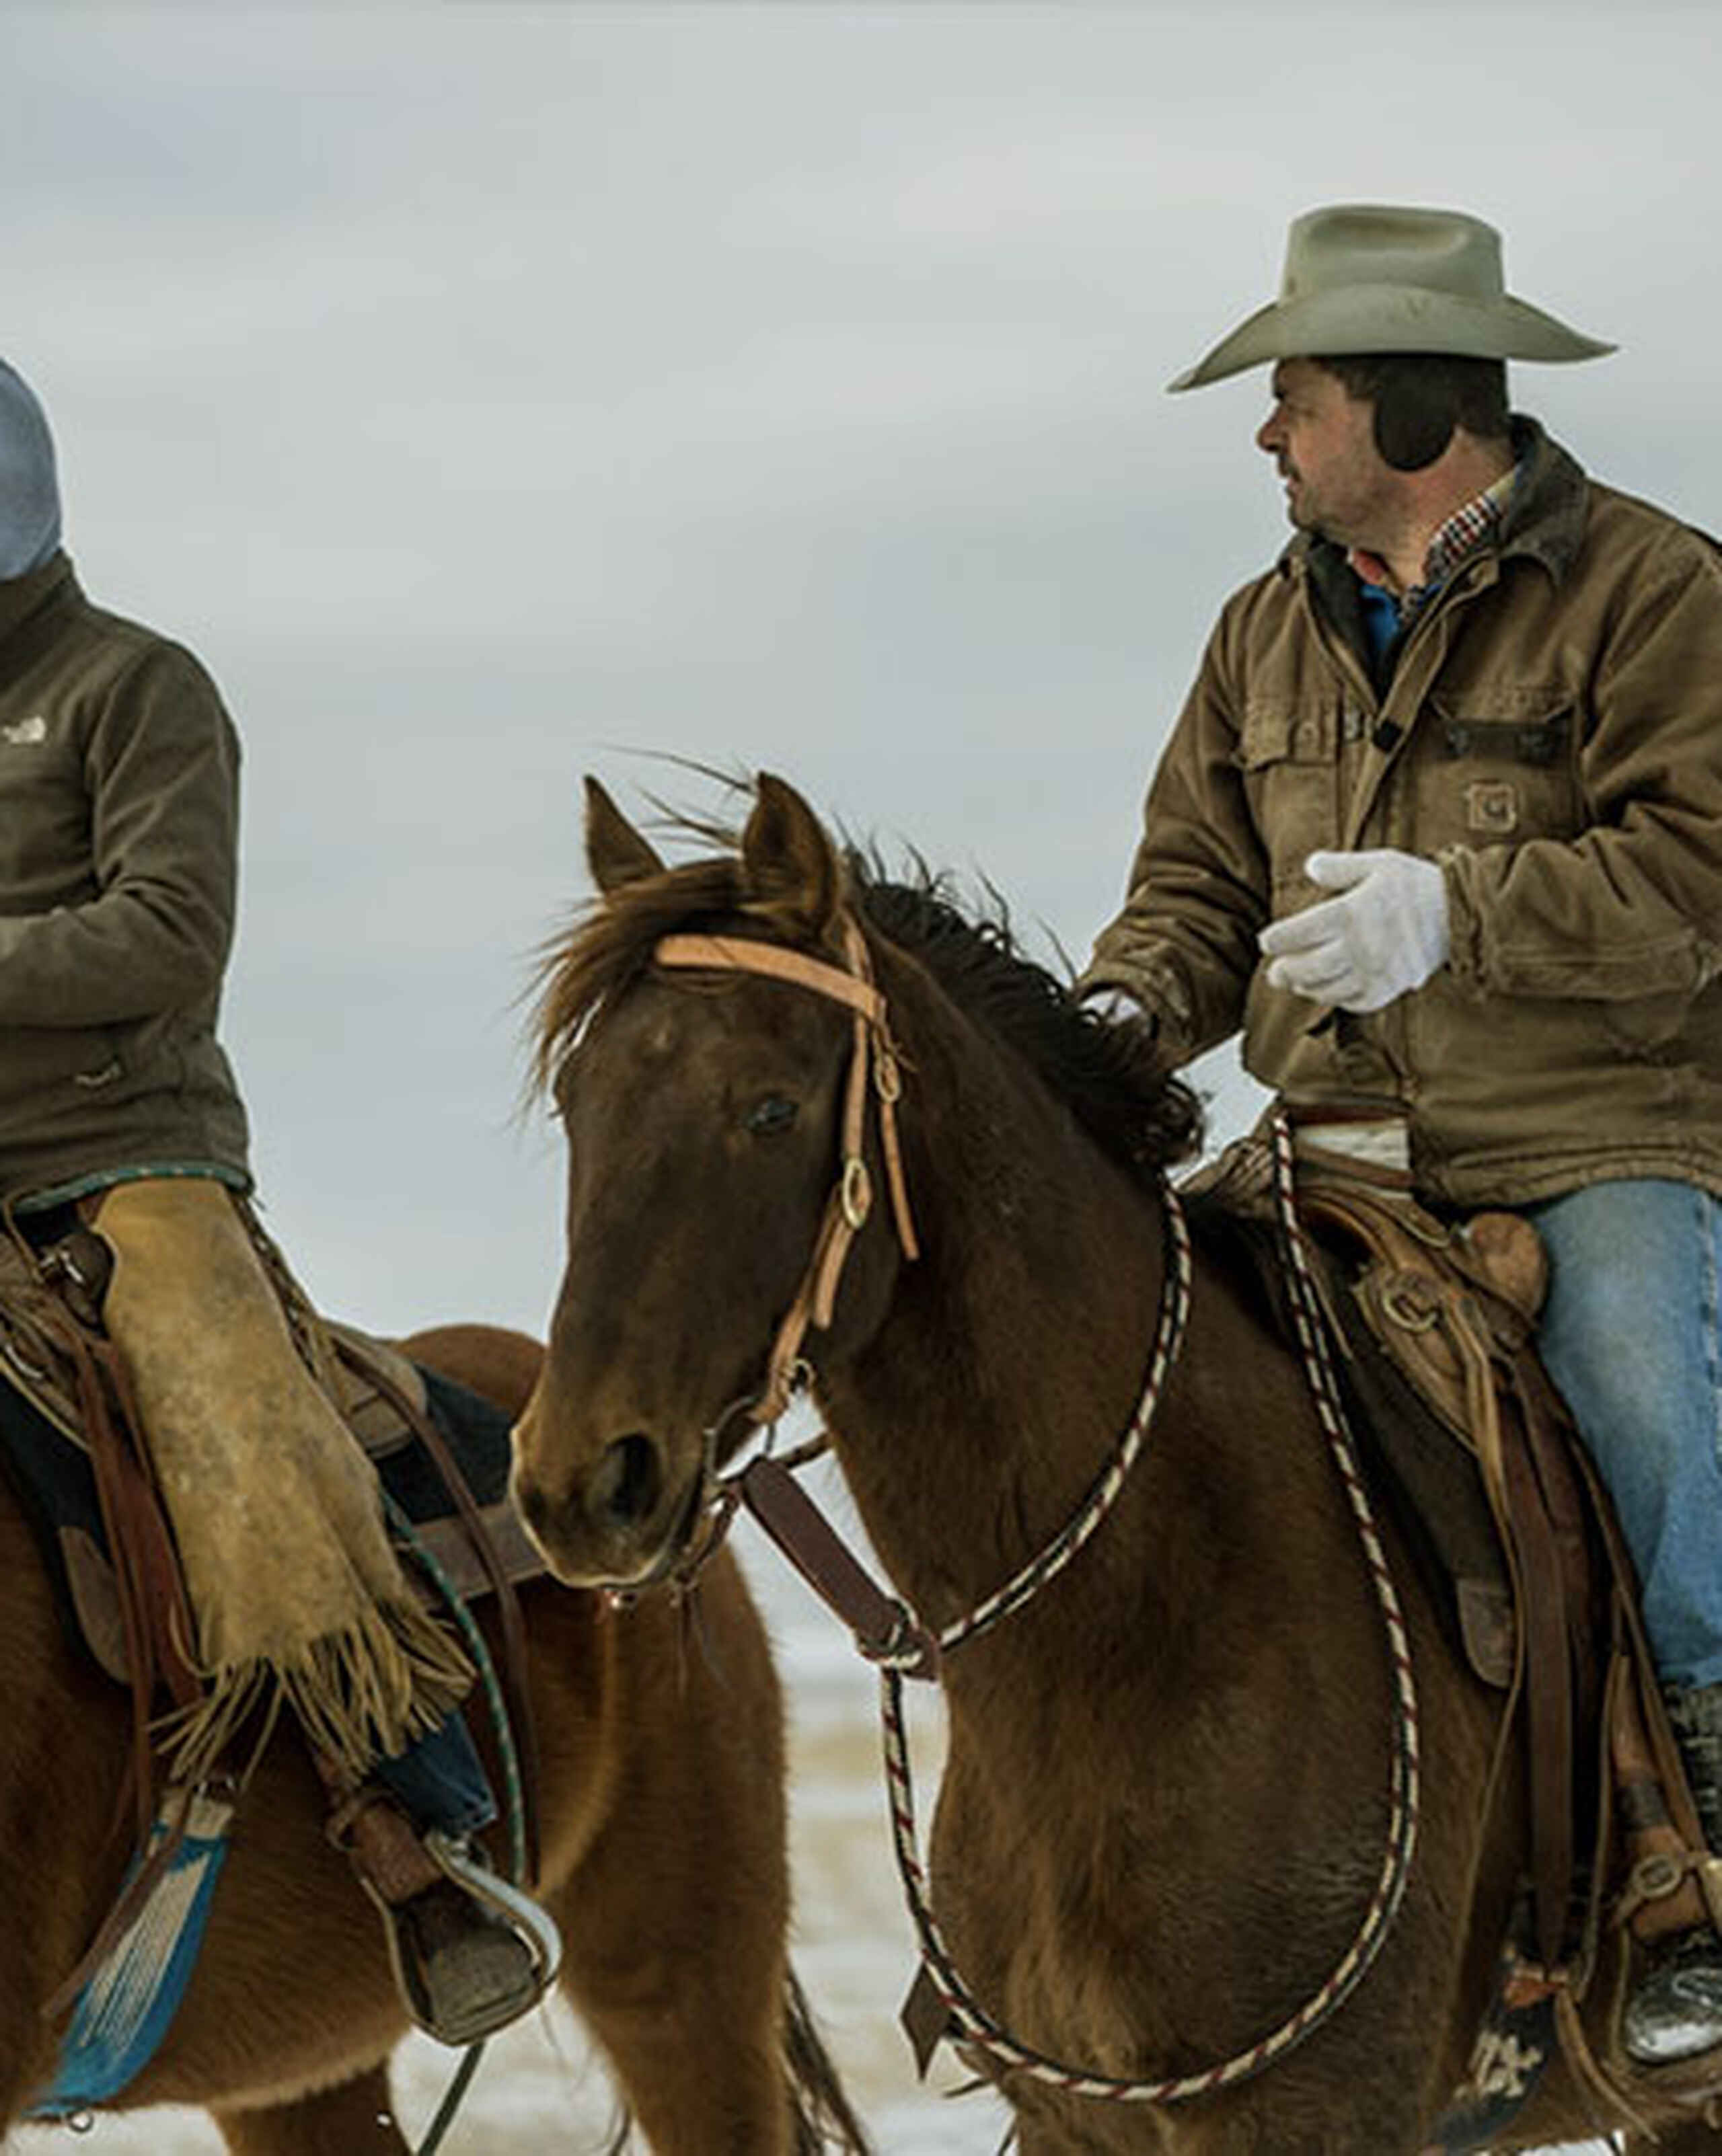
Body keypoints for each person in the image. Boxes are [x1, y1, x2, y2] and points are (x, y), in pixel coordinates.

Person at [1080, 202, 1722, 2066]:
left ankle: (1695, 1849)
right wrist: (1122, 1008)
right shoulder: (1257, 629)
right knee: (1132, 1368)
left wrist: (1462, 907)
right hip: (1328, 1137)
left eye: (1294, 396)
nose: (1266, 435)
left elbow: (1702, 860)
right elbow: (1196, 883)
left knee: (1636, 1382)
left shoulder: (1658, 593)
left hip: (1592, 1128)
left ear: (1420, 406)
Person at [0, 355, 556, 2048]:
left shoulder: (132, 688)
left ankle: (412, 1821)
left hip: (119, 1164)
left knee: (240, 1421)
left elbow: (171, 927)